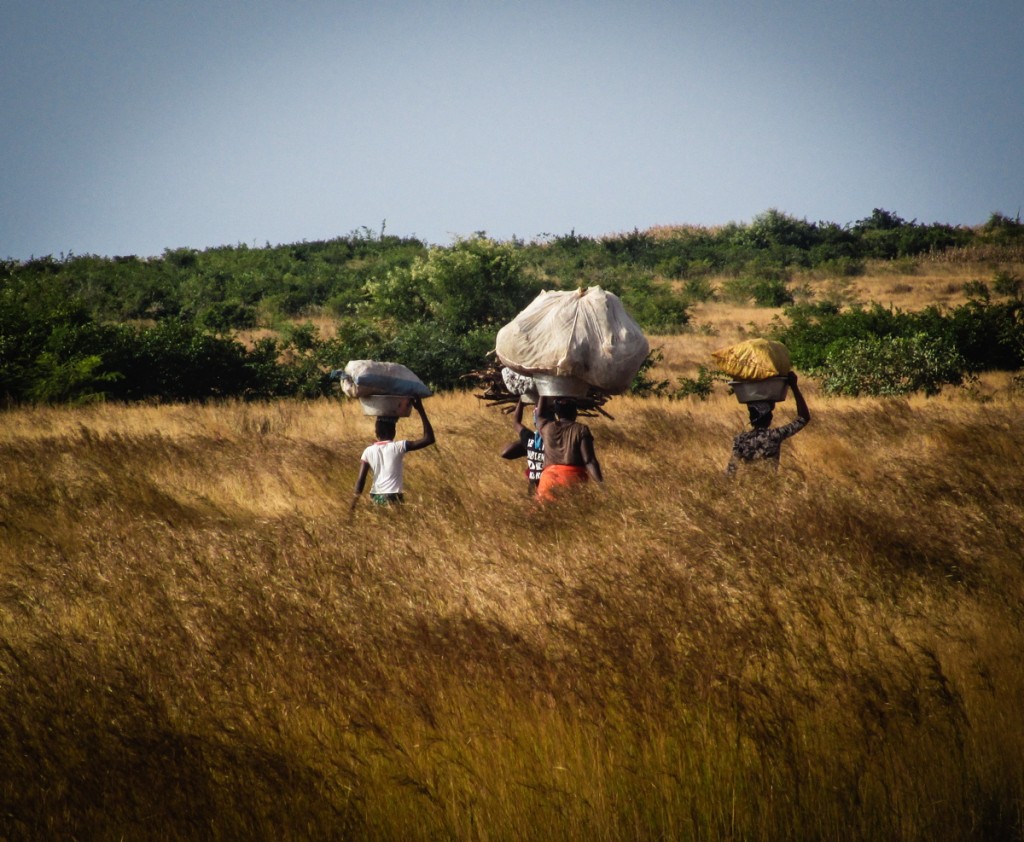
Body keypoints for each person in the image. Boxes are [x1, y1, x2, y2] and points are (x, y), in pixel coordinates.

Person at [351, 397, 435, 509]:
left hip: (376, 498)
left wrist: (352, 507)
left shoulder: (368, 451)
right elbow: (429, 439)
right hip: (394, 497)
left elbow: (360, 482)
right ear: (394, 432)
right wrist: (420, 409)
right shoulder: (398, 447)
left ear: (376, 432)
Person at [726, 371, 810, 476]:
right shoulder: (774, 436)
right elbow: (803, 418)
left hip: (747, 488)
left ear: (751, 418)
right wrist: (794, 387)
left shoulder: (741, 440)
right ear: (769, 418)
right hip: (769, 487)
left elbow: (731, 470)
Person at [534, 396, 603, 502]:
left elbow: (539, 415)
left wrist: (543, 392)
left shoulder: (546, 428)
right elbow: (589, 460)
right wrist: (601, 485)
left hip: (547, 481)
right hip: (572, 481)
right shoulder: (581, 429)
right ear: (575, 413)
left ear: (556, 414)